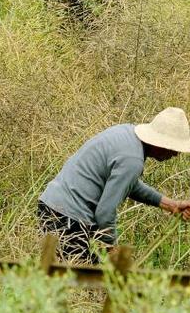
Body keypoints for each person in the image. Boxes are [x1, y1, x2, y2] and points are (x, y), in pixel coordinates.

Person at [38, 108, 190, 263]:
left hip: (52, 206)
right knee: (85, 282)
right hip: (67, 217)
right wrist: (113, 251)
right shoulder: (132, 160)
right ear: (161, 143)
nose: (176, 154)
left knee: (64, 276)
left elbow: (128, 184)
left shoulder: (126, 133)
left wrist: (171, 205)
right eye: (174, 148)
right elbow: (105, 213)